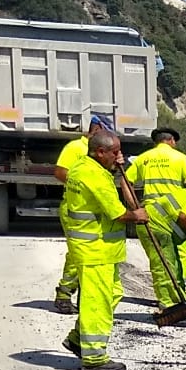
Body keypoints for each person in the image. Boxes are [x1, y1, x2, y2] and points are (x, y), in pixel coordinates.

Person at [58, 128, 147, 370]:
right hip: (95, 249)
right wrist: (137, 215)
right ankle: (94, 357)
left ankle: (78, 339)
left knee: (113, 293)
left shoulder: (84, 167)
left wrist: (115, 167)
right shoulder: (95, 177)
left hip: (98, 249)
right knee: (97, 302)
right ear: (100, 152)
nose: (120, 157)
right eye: (115, 152)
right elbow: (118, 214)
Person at [125, 123, 186, 307]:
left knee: (159, 260)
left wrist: (135, 207)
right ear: (172, 140)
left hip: (151, 214)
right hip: (174, 215)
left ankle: (167, 297)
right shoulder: (180, 158)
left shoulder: (144, 158)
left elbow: (126, 181)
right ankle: (180, 295)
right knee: (180, 257)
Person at [53, 116, 114, 311]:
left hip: (94, 210)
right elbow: (60, 172)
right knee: (77, 252)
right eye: (105, 131)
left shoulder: (101, 152)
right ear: (96, 129)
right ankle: (64, 294)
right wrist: (83, 185)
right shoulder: (75, 147)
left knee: (88, 252)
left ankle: (80, 292)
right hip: (76, 208)